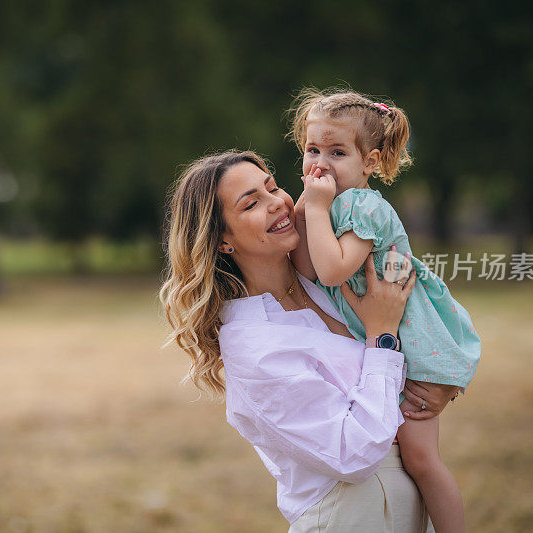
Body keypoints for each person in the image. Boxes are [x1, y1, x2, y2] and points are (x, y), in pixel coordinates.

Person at [160, 149, 459, 531]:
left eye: (272, 187)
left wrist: (439, 390)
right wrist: (381, 336)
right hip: (347, 516)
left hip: (412, 507)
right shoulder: (252, 345)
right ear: (222, 241)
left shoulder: (329, 280)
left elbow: (409, 350)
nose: (276, 204)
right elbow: (354, 454)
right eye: (252, 203)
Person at [288, 88, 482, 532]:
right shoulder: (325, 205)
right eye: (312, 149)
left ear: (370, 162)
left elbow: (334, 271)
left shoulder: (364, 206)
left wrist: (315, 210)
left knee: (420, 458)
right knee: (399, 452)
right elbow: (307, 269)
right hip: (385, 342)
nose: (321, 162)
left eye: (337, 152)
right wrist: (304, 211)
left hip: (415, 343)